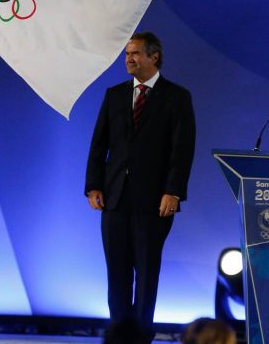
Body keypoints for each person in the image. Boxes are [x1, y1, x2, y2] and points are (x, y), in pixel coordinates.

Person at [85, 31, 195, 343]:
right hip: (115, 200)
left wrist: (173, 191)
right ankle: (119, 336)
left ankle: (141, 337)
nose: (129, 59)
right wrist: (94, 185)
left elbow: (181, 149)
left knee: (146, 275)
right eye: (126, 54)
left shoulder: (176, 96)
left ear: (154, 56)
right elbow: (99, 144)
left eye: (135, 53)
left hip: (154, 202)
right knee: (116, 275)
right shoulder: (115, 95)